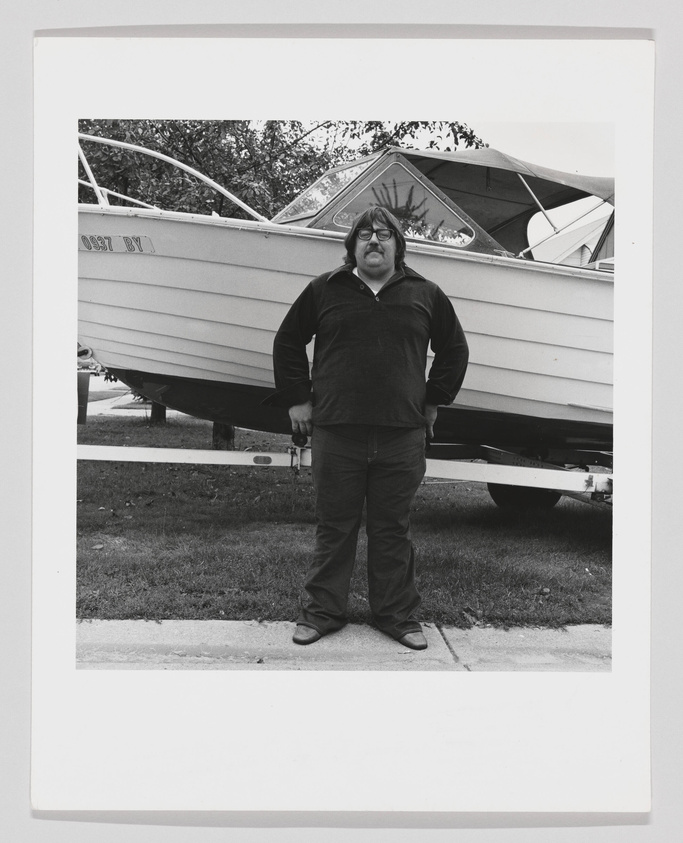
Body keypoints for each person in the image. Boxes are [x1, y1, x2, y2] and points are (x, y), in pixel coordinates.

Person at [265, 207, 469, 650]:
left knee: (392, 528)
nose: (373, 241)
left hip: (401, 434)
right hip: (338, 432)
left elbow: (455, 349)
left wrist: (434, 398)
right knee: (334, 526)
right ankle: (322, 613)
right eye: (363, 235)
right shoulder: (324, 290)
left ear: (399, 244)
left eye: (383, 234)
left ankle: (396, 616)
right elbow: (287, 341)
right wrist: (298, 397)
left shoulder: (426, 293)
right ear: (351, 246)